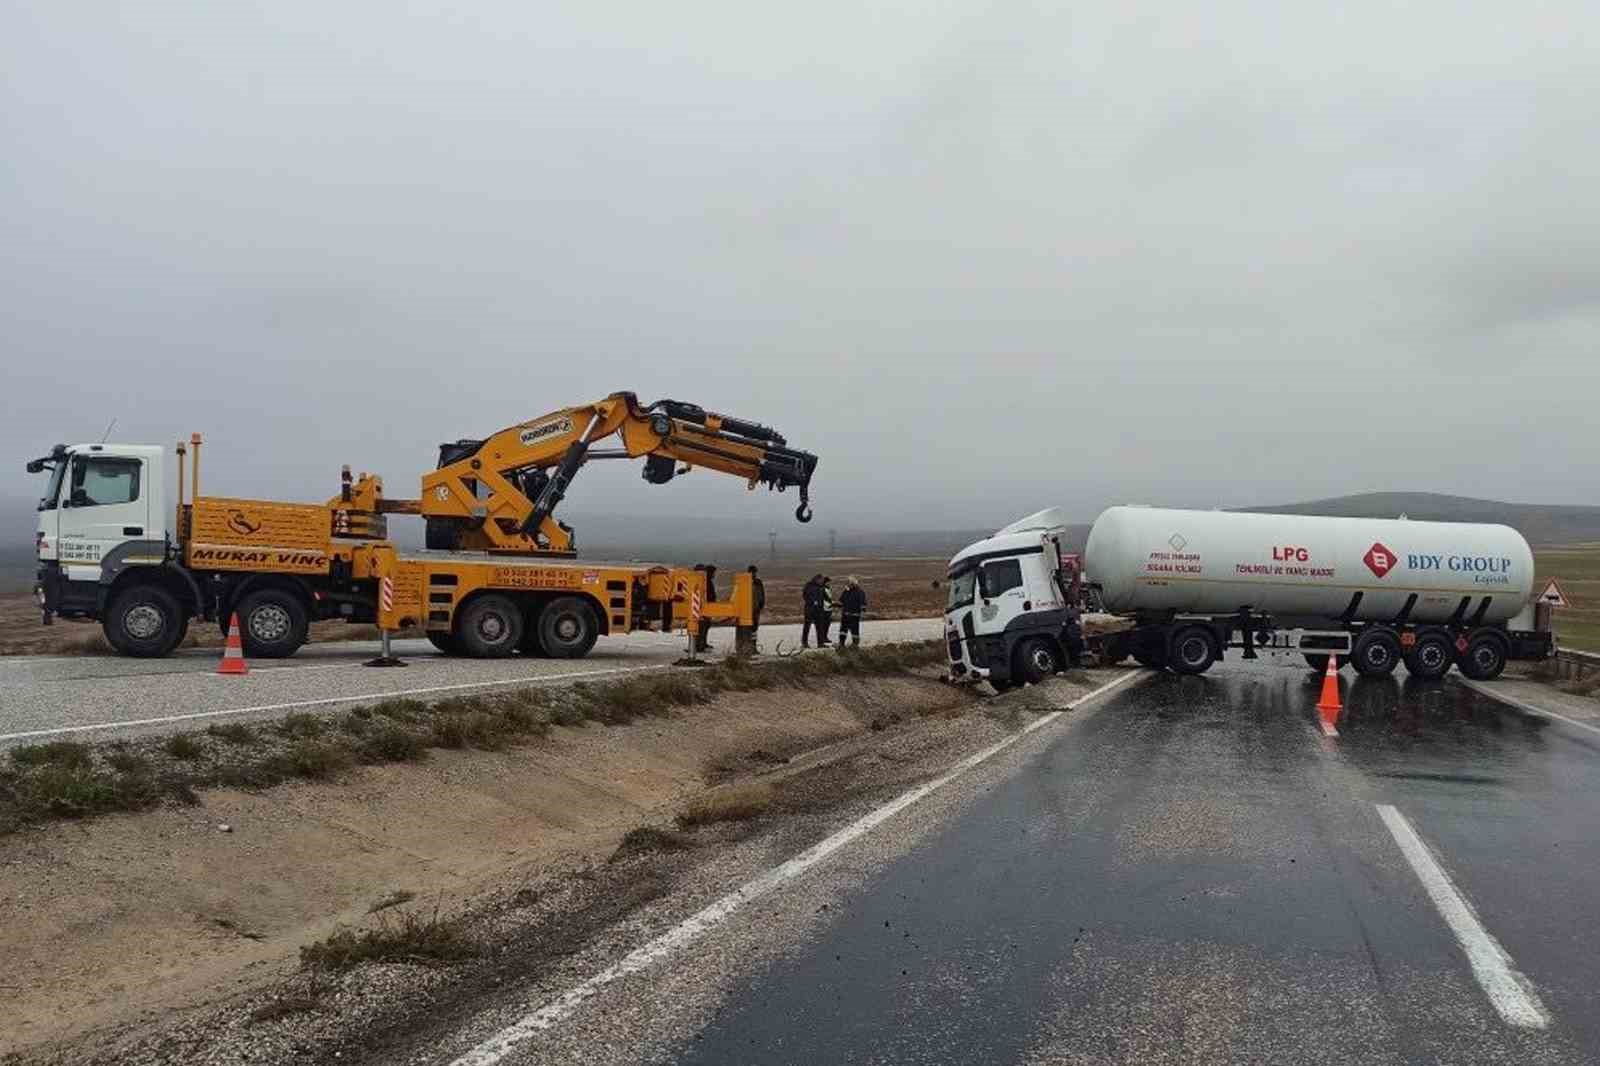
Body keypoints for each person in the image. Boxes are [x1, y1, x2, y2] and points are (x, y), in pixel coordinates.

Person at [801, 573, 831, 648]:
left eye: (823, 580)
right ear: (817, 579)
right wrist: (812, 601)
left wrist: (831, 602)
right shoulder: (809, 585)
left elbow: (825, 596)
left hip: (819, 610)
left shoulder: (821, 586)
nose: (822, 582)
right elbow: (805, 595)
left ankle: (820, 643)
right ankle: (804, 643)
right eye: (821, 580)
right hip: (809, 609)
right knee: (807, 627)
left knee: (820, 627)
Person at [837, 575, 866, 648]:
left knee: (854, 631)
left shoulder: (860, 592)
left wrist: (862, 611)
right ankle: (841, 643)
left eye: (849, 583)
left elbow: (863, 603)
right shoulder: (846, 591)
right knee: (843, 630)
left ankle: (855, 644)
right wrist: (835, 604)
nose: (848, 585)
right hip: (845, 614)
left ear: (853, 584)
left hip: (854, 615)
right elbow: (841, 601)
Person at [747, 565, 765, 629]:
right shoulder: (745, 582)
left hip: (756, 607)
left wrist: (761, 605)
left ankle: (753, 637)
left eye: (754, 572)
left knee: (755, 624)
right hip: (747, 609)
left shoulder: (758, 582)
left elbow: (762, 594)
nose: (753, 574)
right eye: (752, 572)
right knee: (748, 624)